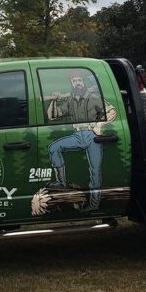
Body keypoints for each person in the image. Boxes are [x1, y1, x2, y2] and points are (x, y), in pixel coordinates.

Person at [44, 70, 117, 211]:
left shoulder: (94, 97)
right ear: (71, 83)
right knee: (54, 147)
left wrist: (99, 124)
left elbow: (112, 110)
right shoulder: (70, 100)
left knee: (95, 170)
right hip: (78, 136)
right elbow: (53, 115)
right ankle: (61, 182)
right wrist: (53, 100)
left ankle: (94, 205)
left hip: (93, 137)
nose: (77, 83)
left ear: (83, 82)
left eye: (79, 80)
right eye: (74, 81)